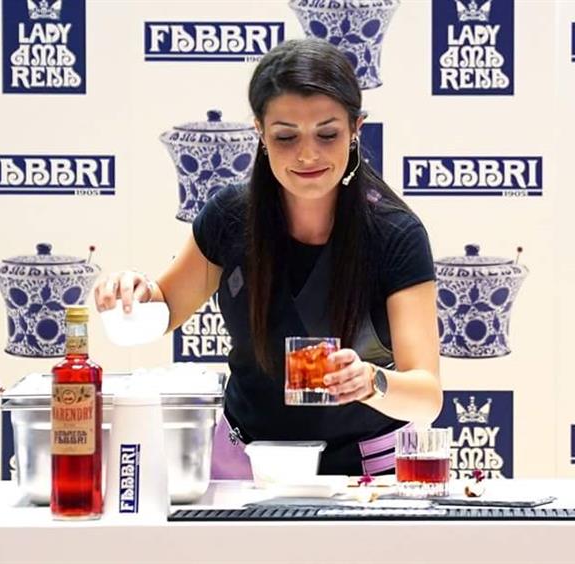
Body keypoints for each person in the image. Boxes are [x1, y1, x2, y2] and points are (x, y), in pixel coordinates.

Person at [94, 39, 442, 476]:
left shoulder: (396, 234)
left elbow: (427, 397)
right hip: (246, 466)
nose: (308, 154)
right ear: (260, 132)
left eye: (328, 134)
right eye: (286, 137)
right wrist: (131, 295)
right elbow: (162, 310)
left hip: (366, 475)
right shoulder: (229, 217)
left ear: (356, 128)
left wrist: (372, 381)